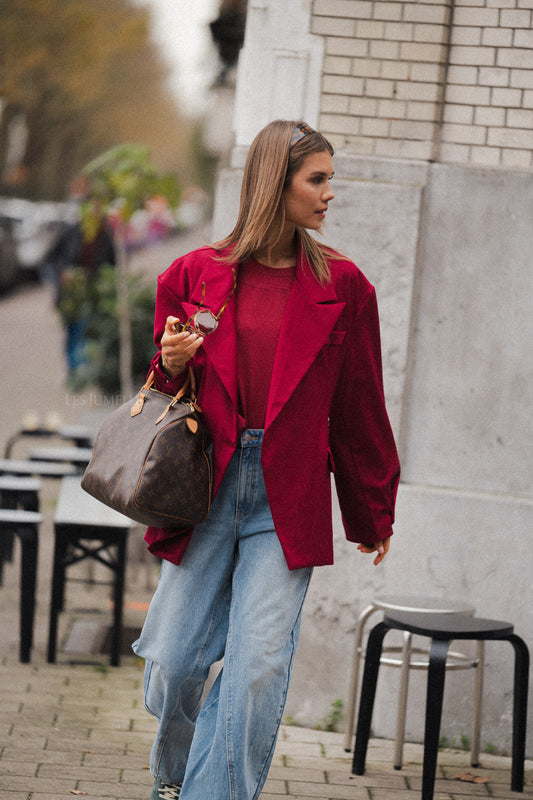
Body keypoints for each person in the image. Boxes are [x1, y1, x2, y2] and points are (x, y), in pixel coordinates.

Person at [132, 119, 400, 800]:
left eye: (328, 180)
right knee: (172, 664)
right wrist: (169, 365)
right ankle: (175, 775)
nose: (329, 193)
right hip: (206, 487)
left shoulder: (345, 287)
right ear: (274, 183)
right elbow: (161, 393)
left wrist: (372, 509)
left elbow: (359, 405)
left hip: (286, 495)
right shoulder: (193, 274)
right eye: (317, 179)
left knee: (254, 676)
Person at [46, 198, 116, 374]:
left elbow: (111, 265)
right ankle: (74, 371)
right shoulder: (70, 232)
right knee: (73, 331)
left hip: (93, 294)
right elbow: (50, 259)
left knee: (88, 330)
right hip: (71, 295)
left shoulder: (105, 237)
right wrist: (63, 274)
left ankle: (85, 370)